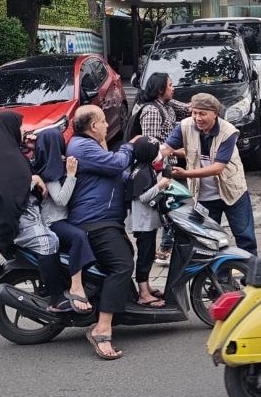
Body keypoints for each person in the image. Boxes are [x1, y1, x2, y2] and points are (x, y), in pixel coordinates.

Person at [66, 105, 141, 360]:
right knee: (121, 265)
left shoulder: (93, 146)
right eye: (103, 122)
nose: (108, 125)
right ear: (93, 126)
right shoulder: (82, 147)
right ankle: (102, 329)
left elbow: (118, 174)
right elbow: (117, 163)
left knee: (126, 256)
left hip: (105, 220)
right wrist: (130, 146)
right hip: (94, 221)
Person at [0, 111, 66, 312]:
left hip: (7, 221)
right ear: (8, 129)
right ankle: (56, 297)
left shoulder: (3, 152)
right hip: (16, 223)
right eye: (19, 127)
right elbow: (11, 187)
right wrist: (33, 180)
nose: (23, 131)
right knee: (49, 242)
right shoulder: (6, 157)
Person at [161, 93, 258, 254]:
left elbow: (218, 167)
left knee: (245, 237)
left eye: (202, 113)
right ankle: (219, 276)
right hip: (204, 195)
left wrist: (186, 174)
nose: (197, 118)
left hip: (232, 191)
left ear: (215, 113)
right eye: (194, 113)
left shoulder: (228, 132)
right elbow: (167, 148)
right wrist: (151, 154)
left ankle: (253, 274)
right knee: (211, 240)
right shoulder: (184, 126)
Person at [32, 128, 94, 314]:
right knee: (79, 237)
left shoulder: (47, 165)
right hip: (54, 222)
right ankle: (76, 286)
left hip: (61, 219)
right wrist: (71, 175)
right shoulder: (50, 171)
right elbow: (60, 200)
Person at [138, 73, 190, 267]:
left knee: (179, 204)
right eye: (170, 85)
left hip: (172, 164)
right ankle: (165, 249)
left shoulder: (167, 105)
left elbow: (186, 108)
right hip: (161, 169)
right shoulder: (152, 111)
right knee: (175, 205)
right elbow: (151, 146)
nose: (173, 88)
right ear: (160, 89)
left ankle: (168, 247)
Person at [126, 137, 173, 307]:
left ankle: (146, 286)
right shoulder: (142, 171)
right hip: (143, 223)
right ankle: (143, 294)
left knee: (148, 254)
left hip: (146, 222)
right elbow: (144, 197)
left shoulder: (144, 168)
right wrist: (161, 185)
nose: (159, 154)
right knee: (145, 257)